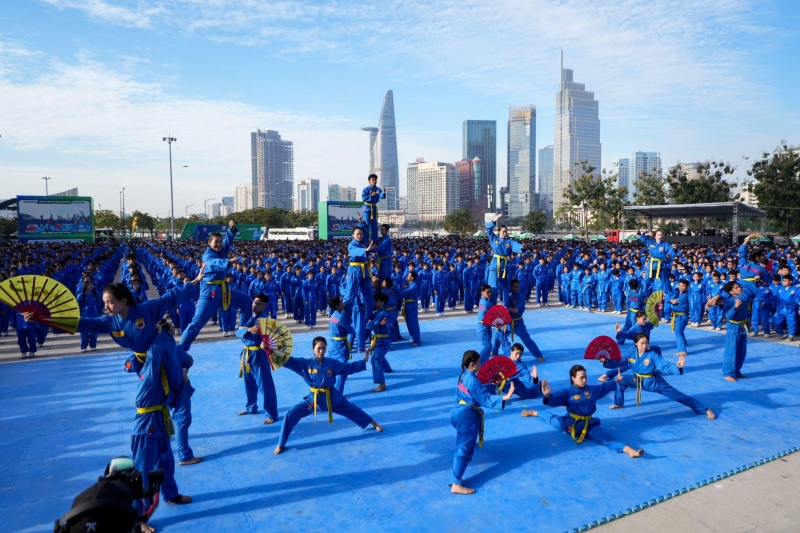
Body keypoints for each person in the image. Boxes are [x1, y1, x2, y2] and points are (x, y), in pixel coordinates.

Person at [273, 337, 383, 454]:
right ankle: (281, 444)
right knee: (291, 413)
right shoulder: (305, 364)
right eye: (318, 348)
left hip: (332, 398)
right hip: (313, 400)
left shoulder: (331, 363)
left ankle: (373, 423)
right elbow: (288, 361)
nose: (321, 351)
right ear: (313, 349)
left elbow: (347, 368)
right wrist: (271, 351)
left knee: (352, 409)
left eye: (323, 348)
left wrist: (363, 361)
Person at [124, 326, 193, 508]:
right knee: (143, 472)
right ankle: (138, 517)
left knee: (166, 463)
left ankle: (171, 494)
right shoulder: (151, 374)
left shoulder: (164, 372)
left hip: (160, 421)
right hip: (146, 427)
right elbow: (153, 355)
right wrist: (156, 332)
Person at [520, 365, 643, 458]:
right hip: (570, 423)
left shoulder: (592, 390)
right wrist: (547, 396)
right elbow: (555, 398)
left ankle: (628, 450)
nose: (584, 380)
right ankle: (535, 413)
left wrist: (615, 381)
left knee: (604, 437)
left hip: (588, 424)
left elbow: (604, 387)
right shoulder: (567, 392)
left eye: (585, 377)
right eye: (581, 377)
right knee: (553, 420)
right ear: (573, 378)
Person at [180, 221, 253, 350]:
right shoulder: (207, 255)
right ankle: (181, 348)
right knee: (196, 323)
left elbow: (228, 241)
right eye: (216, 242)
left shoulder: (221, 251)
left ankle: (243, 329)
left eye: (220, 241)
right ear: (209, 243)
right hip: (209, 293)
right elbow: (215, 263)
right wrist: (230, 261)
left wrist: (231, 230)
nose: (219, 244)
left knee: (246, 300)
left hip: (224, 290)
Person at [450, 350, 515, 495]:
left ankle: (468, 442)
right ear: (472, 364)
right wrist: (506, 397)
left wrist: (493, 385)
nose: (481, 364)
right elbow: (485, 399)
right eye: (479, 362)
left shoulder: (465, 375)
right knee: (463, 450)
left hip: (457, 412)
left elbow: (478, 390)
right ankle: (456, 483)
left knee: (468, 438)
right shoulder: (473, 380)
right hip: (466, 417)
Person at [608, 333, 716, 419]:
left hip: (654, 382)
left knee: (677, 395)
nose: (645, 346)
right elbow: (620, 362)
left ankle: (704, 409)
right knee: (620, 381)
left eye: (647, 343)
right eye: (642, 343)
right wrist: (606, 360)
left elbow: (664, 365)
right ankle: (619, 403)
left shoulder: (652, 355)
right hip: (637, 379)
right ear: (636, 343)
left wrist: (677, 366)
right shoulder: (631, 352)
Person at [235, 294, 279, 424]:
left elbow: (250, 337)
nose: (254, 305)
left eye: (258, 304)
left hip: (259, 355)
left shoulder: (263, 320)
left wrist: (244, 330)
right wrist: (248, 329)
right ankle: (251, 407)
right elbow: (238, 334)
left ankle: (271, 413)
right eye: (254, 302)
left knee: (265, 386)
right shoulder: (250, 316)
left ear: (265, 306)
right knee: (249, 383)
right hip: (246, 354)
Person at [707, 278, 756, 382]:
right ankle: (727, 373)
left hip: (743, 326)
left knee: (741, 352)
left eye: (739, 286)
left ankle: (737, 371)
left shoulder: (744, 296)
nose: (740, 288)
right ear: (731, 292)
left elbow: (751, 287)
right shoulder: (729, 301)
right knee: (731, 351)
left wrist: (739, 279)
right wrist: (735, 307)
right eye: (736, 287)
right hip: (733, 327)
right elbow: (728, 315)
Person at [493, 279, 544, 362]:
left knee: (526, 339)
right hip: (507, 322)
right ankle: (494, 350)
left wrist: (507, 308)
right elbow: (502, 307)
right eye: (513, 287)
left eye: (517, 287)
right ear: (510, 287)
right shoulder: (508, 296)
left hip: (518, 323)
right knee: (498, 334)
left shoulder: (521, 298)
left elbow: (516, 310)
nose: (515, 288)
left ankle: (539, 355)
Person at [485, 213, 524, 306]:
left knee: (506, 288)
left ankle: (506, 306)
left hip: (505, 266)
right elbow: (488, 229)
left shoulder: (509, 241)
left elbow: (515, 245)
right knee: (493, 288)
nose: (505, 233)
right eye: (503, 231)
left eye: (506, 231)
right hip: (495, 265)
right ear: (498, 232)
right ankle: (492, 306)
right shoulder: (494, 238)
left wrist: (522, 247)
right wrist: (494, 220)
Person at [327, 297, 356, 392]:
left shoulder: (333, 315)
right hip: (340, 345)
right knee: (342, 369)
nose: (342, 303)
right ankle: (338, 393)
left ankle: (329, 389)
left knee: (330, 367)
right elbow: (350, 330)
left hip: (332, 344)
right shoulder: (341, 317)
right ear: (337, 306)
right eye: (340, 302)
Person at [639, 229, 676, 299]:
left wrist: (669, 255)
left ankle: (672, 296)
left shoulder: (665, 245)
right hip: (652, 265)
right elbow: (642, 237)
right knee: (646, 280)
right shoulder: (651, 242)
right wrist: (648, 234)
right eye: (658, 235)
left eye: (661, 235)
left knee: (666, 282)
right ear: (655, 236)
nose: (660, 236)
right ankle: (643, 294)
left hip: (662, 265)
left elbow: (671, 250)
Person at [367, 292, 391, 393]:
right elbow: (369, 322)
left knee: (375, 358)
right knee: (379, 355)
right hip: (379, 339)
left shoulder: (382, 314)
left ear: (382, 302)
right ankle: (388, 369)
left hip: (383, 340)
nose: (375, 303)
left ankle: (382, 384)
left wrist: (371, 322)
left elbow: (369, 326)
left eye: (376, 301)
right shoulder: (376, 312)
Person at [77, 277, 101, 352]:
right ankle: (83, 346)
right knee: (84, 332)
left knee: (94, 331)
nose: (91, 286)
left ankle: (93, 345)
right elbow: (78, 306)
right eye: (89, 285)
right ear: (85, 286)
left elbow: (100, 304)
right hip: (84, 314)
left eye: (91, 284)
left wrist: (98, 312)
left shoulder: (96, 294)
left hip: (94, 314)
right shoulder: (81, 295)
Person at [397, 271, 421, 346]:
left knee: (413, 324)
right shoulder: (409, 285)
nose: (407, 276)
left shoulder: (413, 285)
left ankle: (417, 341)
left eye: (408, 275)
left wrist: (396, 289)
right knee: (409, 324)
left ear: (412, 278)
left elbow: (405, 293)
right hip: (408, 306)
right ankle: (414, 338)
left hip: (411, 306)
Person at [361, 174, 385, 243]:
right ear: (369, 181)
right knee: (366, 225)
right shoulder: (366, 189)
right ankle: (365, 241)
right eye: (373, 180)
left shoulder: (378, 189)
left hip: (374, 208)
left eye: (375, 180)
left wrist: (383, 193)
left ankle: (374, 242)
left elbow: (381, 196)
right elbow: (364, 198)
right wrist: (371, 195)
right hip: (367, 208)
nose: (374, 181)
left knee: (375, 227)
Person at [669, 279, 691, 355]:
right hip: (679, 315)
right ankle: (684, 342)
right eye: (680, 285)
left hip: (681, 316)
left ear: (687, 287)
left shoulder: (684, 296)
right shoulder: (679, 294)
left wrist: (671, 303)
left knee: (678, 331)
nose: (681, 287)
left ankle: (682, 350)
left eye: (683, 286)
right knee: (679, 330)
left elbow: (675, 305)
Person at [475, 284, 494, 364]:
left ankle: (482, 361)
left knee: (484, 345)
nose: (489, 294)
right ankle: (479, 363)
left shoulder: (482, 301)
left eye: (490, 292)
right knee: (488, 345)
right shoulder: (487, 303)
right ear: (482, 293)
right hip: (484, 326)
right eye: (487, 292)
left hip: (483, 326)